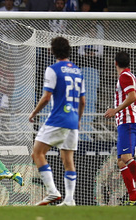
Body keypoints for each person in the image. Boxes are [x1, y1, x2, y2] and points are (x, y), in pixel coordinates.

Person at [29, 37, 85, 206]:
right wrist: (79, 120)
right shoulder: (78, 70)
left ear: (52, 51)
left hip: (58, 118)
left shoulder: (53, 69)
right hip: (73, 120)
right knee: (68, 159)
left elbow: (46, 97)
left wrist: (34, 112)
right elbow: (83, 101)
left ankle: (52, 191)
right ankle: (69, 199)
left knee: (37, 153)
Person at [104, 51, 136, 206]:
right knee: (121, 161)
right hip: (125, 122)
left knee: (125, 157)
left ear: (115, 63)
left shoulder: (125, 76)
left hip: (128, 122)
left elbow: (132, 96)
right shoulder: (128, 76)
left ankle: (134, 195)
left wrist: (114, 110)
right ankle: (133, 197)